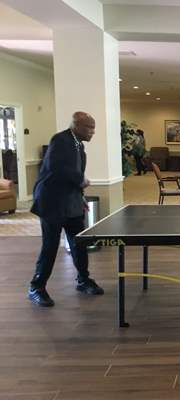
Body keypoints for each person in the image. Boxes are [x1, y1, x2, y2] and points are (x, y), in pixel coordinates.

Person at [28, 112, 104, 307]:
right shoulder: (60, 140)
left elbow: (73, 174)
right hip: (52, 203)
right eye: (90, 127)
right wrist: (81, 180)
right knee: (50, 246)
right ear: (76, 125)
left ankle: (83, 280)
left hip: (71, 203)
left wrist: (80, 197)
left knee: (79, 243)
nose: (93, 132)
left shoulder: (80, 147)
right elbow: (57, 167)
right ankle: (36, 287)